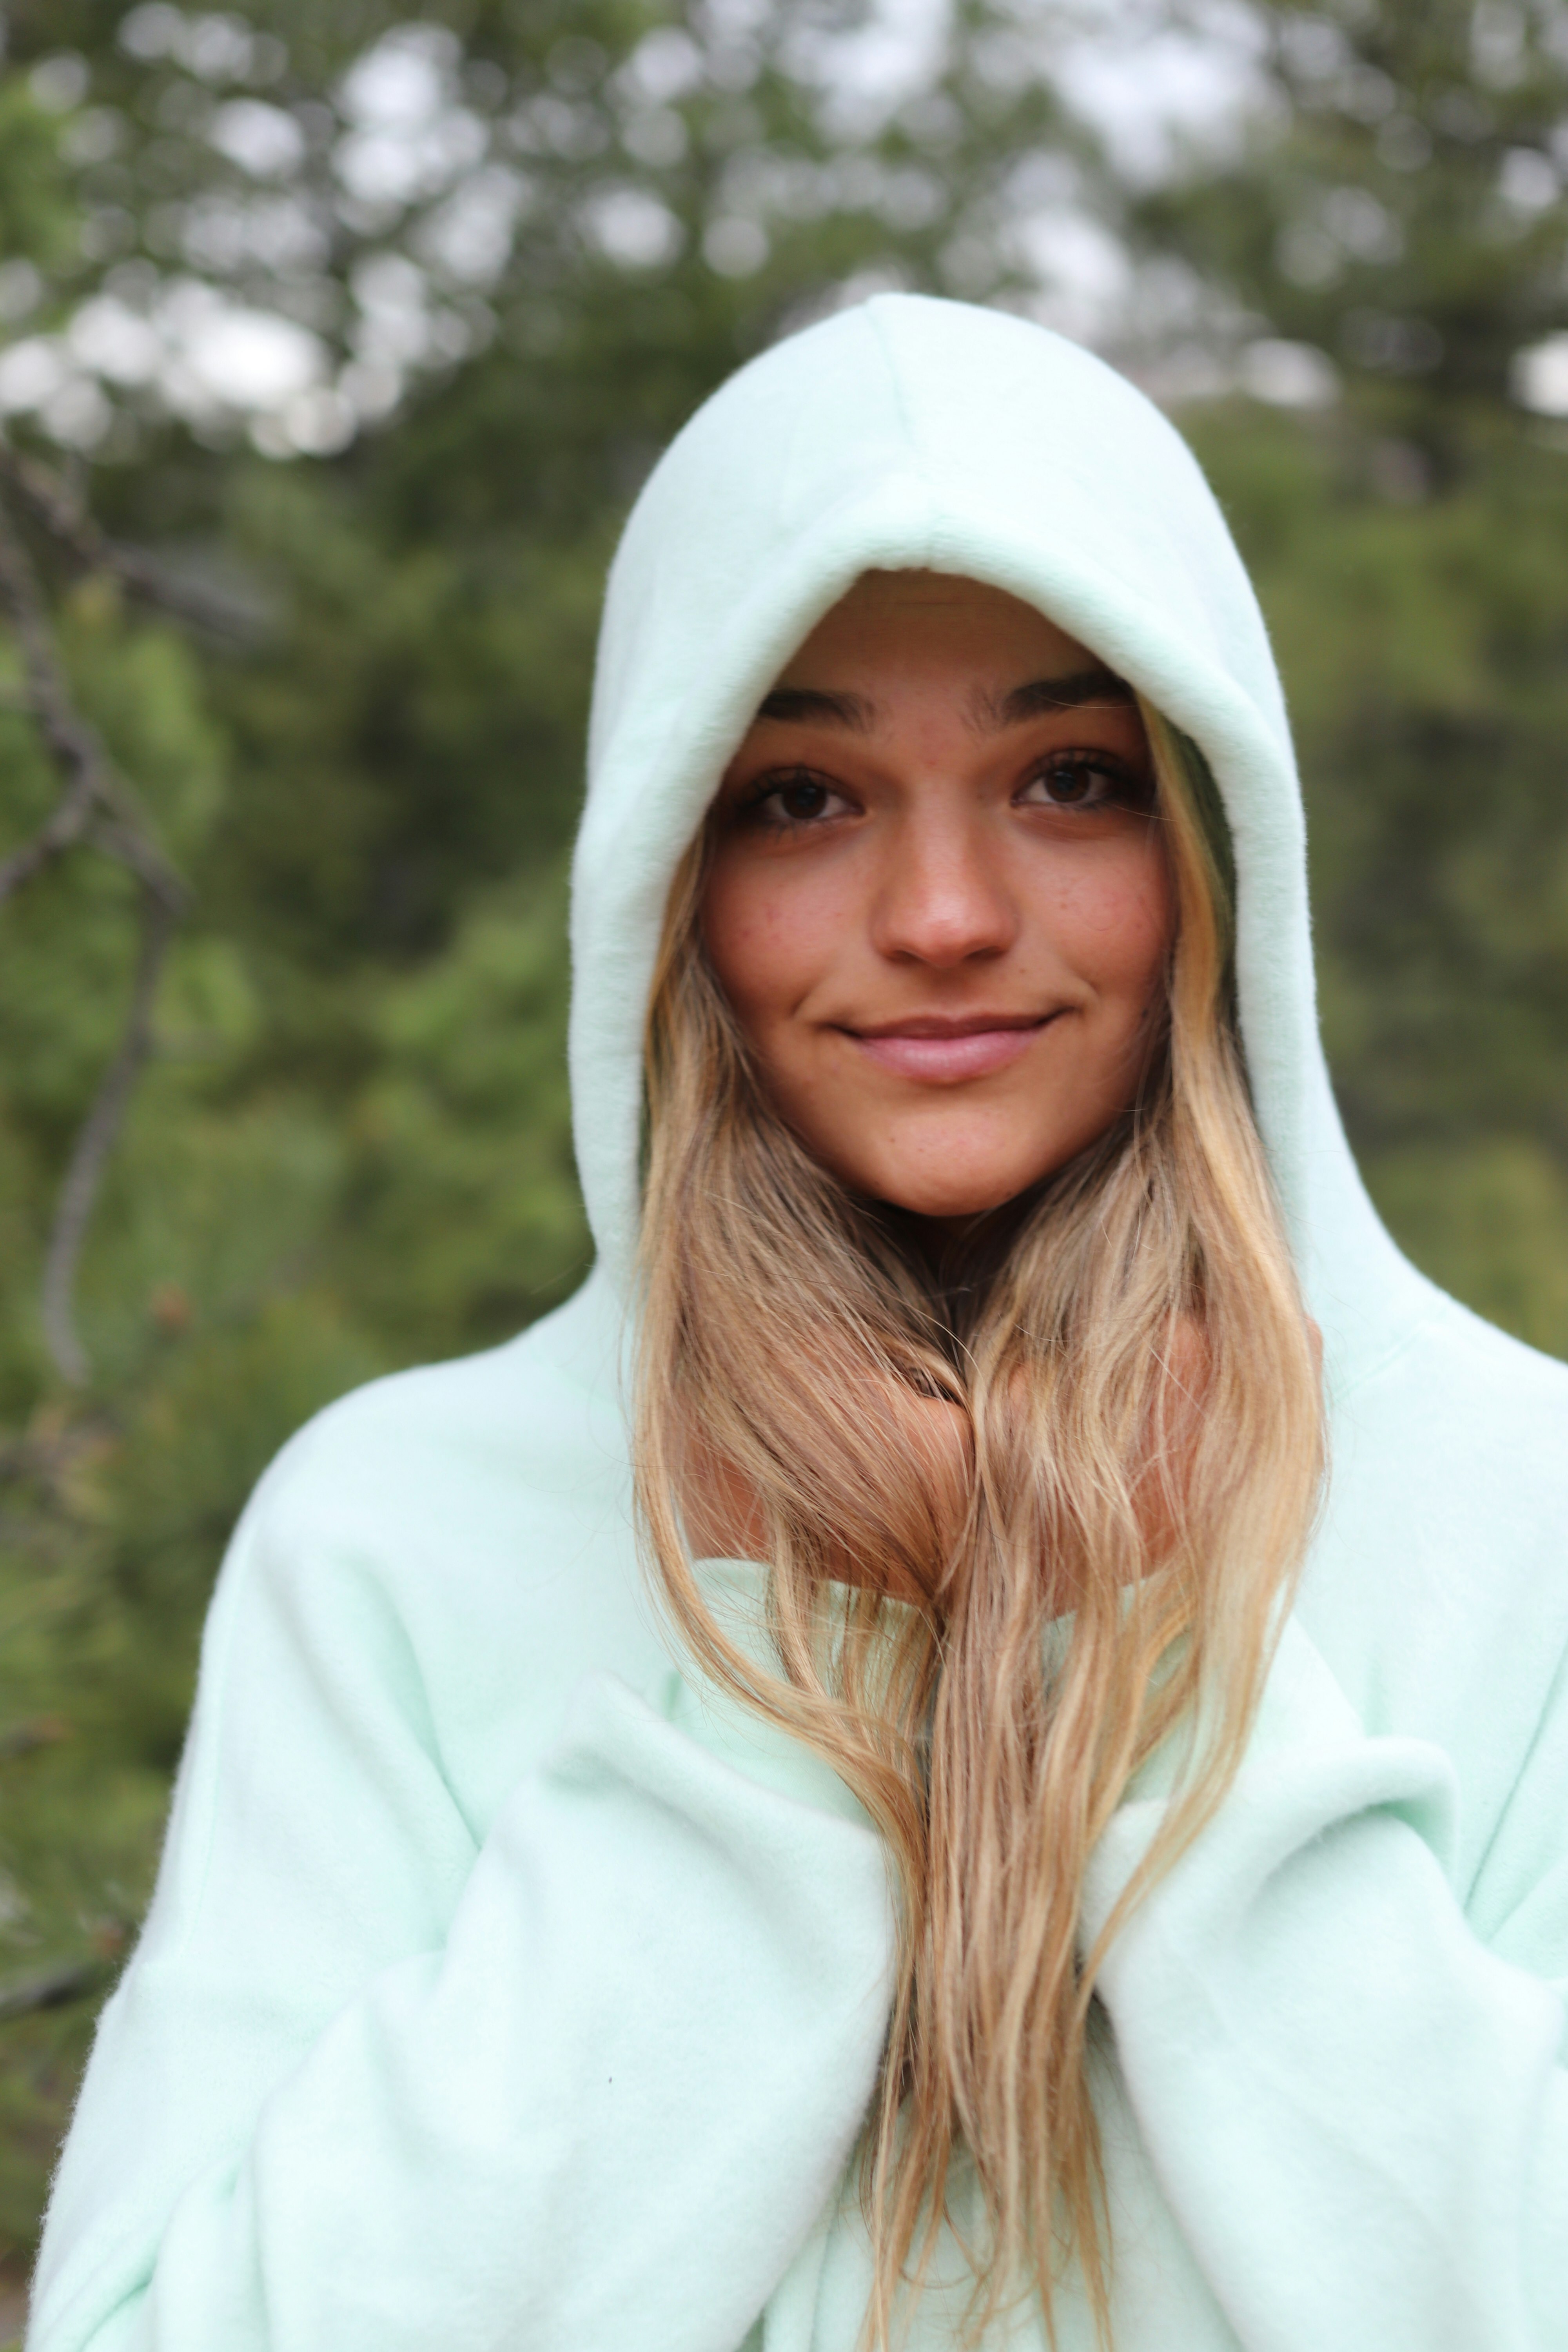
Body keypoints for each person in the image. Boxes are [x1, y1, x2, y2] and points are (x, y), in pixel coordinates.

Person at [26, 295, 1568, 2352]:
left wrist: (1158, 1668)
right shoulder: (403, 1529)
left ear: (1210, 848)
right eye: (802, 800)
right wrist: (777, 1692)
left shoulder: (1515, 1510)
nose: (942, 913)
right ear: (666, 877)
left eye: (1071, 776)